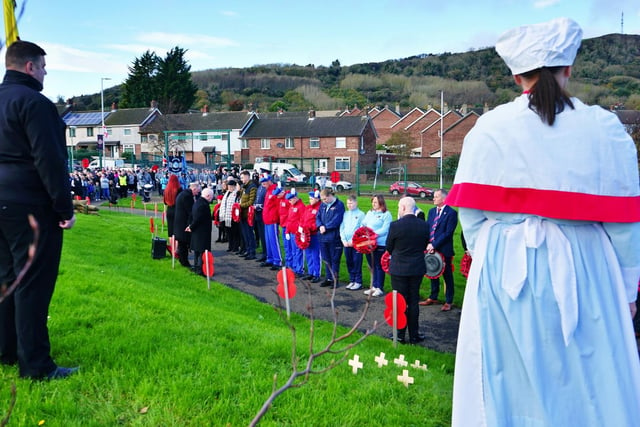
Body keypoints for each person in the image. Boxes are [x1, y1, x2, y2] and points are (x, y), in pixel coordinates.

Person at [448, 18, 640, 426]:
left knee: (506, 380)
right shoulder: (605, 129)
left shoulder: (489, 129)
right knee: (590, 382)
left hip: (504, 270)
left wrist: (488, 263)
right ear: (568, 68)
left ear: (518, 75)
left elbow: (473, 219)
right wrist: (625, 290)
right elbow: (624, 226)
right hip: (586, 266)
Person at [0, 40, 77, 379]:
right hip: (28, 203)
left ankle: (6, 350)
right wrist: (64, 208)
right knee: (32, 282)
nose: (45, 73)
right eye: (43, 66)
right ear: (29, 66)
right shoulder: (36, 103)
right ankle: (35, 365)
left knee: (5, 277)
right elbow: (50, 160)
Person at [386, 197, 430, 344]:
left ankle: (399, 335)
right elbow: (424, 245)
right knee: (413, 301)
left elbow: (389, 247)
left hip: (399, 268)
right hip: (416, 267)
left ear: (404, 208)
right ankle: (414, 335)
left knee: (399, 302)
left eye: (399, 207)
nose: (398, 209)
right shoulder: (424, 225)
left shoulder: (395, 226)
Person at [420, 189, 458, 311]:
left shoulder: (451, 213)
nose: (433, 198)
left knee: (447, 275)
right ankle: (433, 296)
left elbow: (448, 233)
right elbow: (428, 228)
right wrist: (427, 244)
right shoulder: (431, 212)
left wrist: (434, 245)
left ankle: (449, 300)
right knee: (432, 272)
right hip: (430, 248)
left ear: (444, 198)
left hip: (443, 249)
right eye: (434, 196)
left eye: (436, 196)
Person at [361, 195, 392, 297]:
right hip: (368, 243)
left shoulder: (386, 214)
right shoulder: (370, 213)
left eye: (375, 202)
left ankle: (379, 287)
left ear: (381, 203)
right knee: (372, 265)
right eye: (372, 202)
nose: (373, 204)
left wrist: (372, 234)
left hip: (380, 244)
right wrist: (363, 233)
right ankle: (373, 286)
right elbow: (363, 224)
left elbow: (385, 229)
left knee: (379, 265)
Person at [316, 189, 345, 287]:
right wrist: (320, 225)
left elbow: (337, 220)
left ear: (329, 196)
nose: (324, 201)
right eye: (322, 200)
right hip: (322, 236)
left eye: (325, 199)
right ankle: (328, 278)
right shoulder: (323, 205)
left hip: (333, 237)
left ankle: (335, 279)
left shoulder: (339, 205)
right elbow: (318, 216)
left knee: (334, 259)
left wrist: (326, 227)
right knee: (326, 258)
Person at [186, 188, 214, 275]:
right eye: (212, 197)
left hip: (197, 231)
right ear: (208, 196)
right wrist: (191, 226)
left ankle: (196, 267)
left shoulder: (198, 202)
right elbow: (198, 219)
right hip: (202, 232)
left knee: (197, 251)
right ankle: (200, 269)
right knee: (202, 251)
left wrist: (190, 226)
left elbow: (192, 216)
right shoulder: (203, 205)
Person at [340, 195, 365, 290]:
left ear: (356, 203)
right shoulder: (345, 214)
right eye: (348, 203)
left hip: (356, 243)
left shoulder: (361, 214)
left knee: (356, 261)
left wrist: (353, 241)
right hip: (346, 243)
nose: (349, 205)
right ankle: (352, 280)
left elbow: (361, 229)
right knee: (349, 261)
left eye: (351, 203)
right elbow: (342, 227)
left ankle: (358, 281)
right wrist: (344, 240)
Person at [174, 182, 200, 268]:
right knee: (183, 245)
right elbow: (190, 211)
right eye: (197, 192)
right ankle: (184, 262)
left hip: (179, 223)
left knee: (182, 244)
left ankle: (183, 261)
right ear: (194, 189)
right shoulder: (187, 196)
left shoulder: (183, 194)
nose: (197, 193)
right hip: (183, 224)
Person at [261, 178, 282, 270]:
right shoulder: (268, 191)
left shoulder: (274, 191)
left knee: (273, 241)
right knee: (268, 241)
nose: (263, 185)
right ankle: (270, 258)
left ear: (270, 182)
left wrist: (277, 219)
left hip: (272, 219)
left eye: (265, 183)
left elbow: (278, 206)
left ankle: (277, 260)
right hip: (267, 219)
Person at [301, 190, 322, 283]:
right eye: (309, 198)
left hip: (314, 234)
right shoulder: (308, 207)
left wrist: (310, 228)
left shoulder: (319, 208)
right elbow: (302, 219)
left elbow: (317, 222)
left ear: (317, 199)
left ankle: (316, 273)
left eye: (312, 198)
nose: (310, 200)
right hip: (306, 234)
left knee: (315, 254)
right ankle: (310, 272)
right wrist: (302, 227)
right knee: (308, 253)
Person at [284, 189, 305, 276]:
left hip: (297, 233)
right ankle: (294, 267)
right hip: (291, 232)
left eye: (290, 199)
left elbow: (302, 220)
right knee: (293, 251)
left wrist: (300, 232)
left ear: (295, 198)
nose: (289, 201)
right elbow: (289, 220)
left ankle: (299, 269)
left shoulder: (301, 207)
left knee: (298, 251)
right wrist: (287, 231)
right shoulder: (292, 206)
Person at [238, 171, 257, 260]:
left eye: (242, 177)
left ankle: (252, 252)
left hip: (248, 215)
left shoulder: (252, 187)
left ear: (247, 176)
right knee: (245, 234)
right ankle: (248, 250)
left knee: (249, 234)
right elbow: (241, 198)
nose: (241, 180)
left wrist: (240, 205)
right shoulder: (244, 187)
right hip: (242, 214)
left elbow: (251, 202)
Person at [163, 174, 182, 239]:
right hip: (177, 210)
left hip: (169, 210)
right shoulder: (179, 189)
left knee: (170, 230)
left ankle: (172, 247)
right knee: (177, 230)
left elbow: (165, 202)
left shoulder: (166, 189)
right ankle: (176, 247)